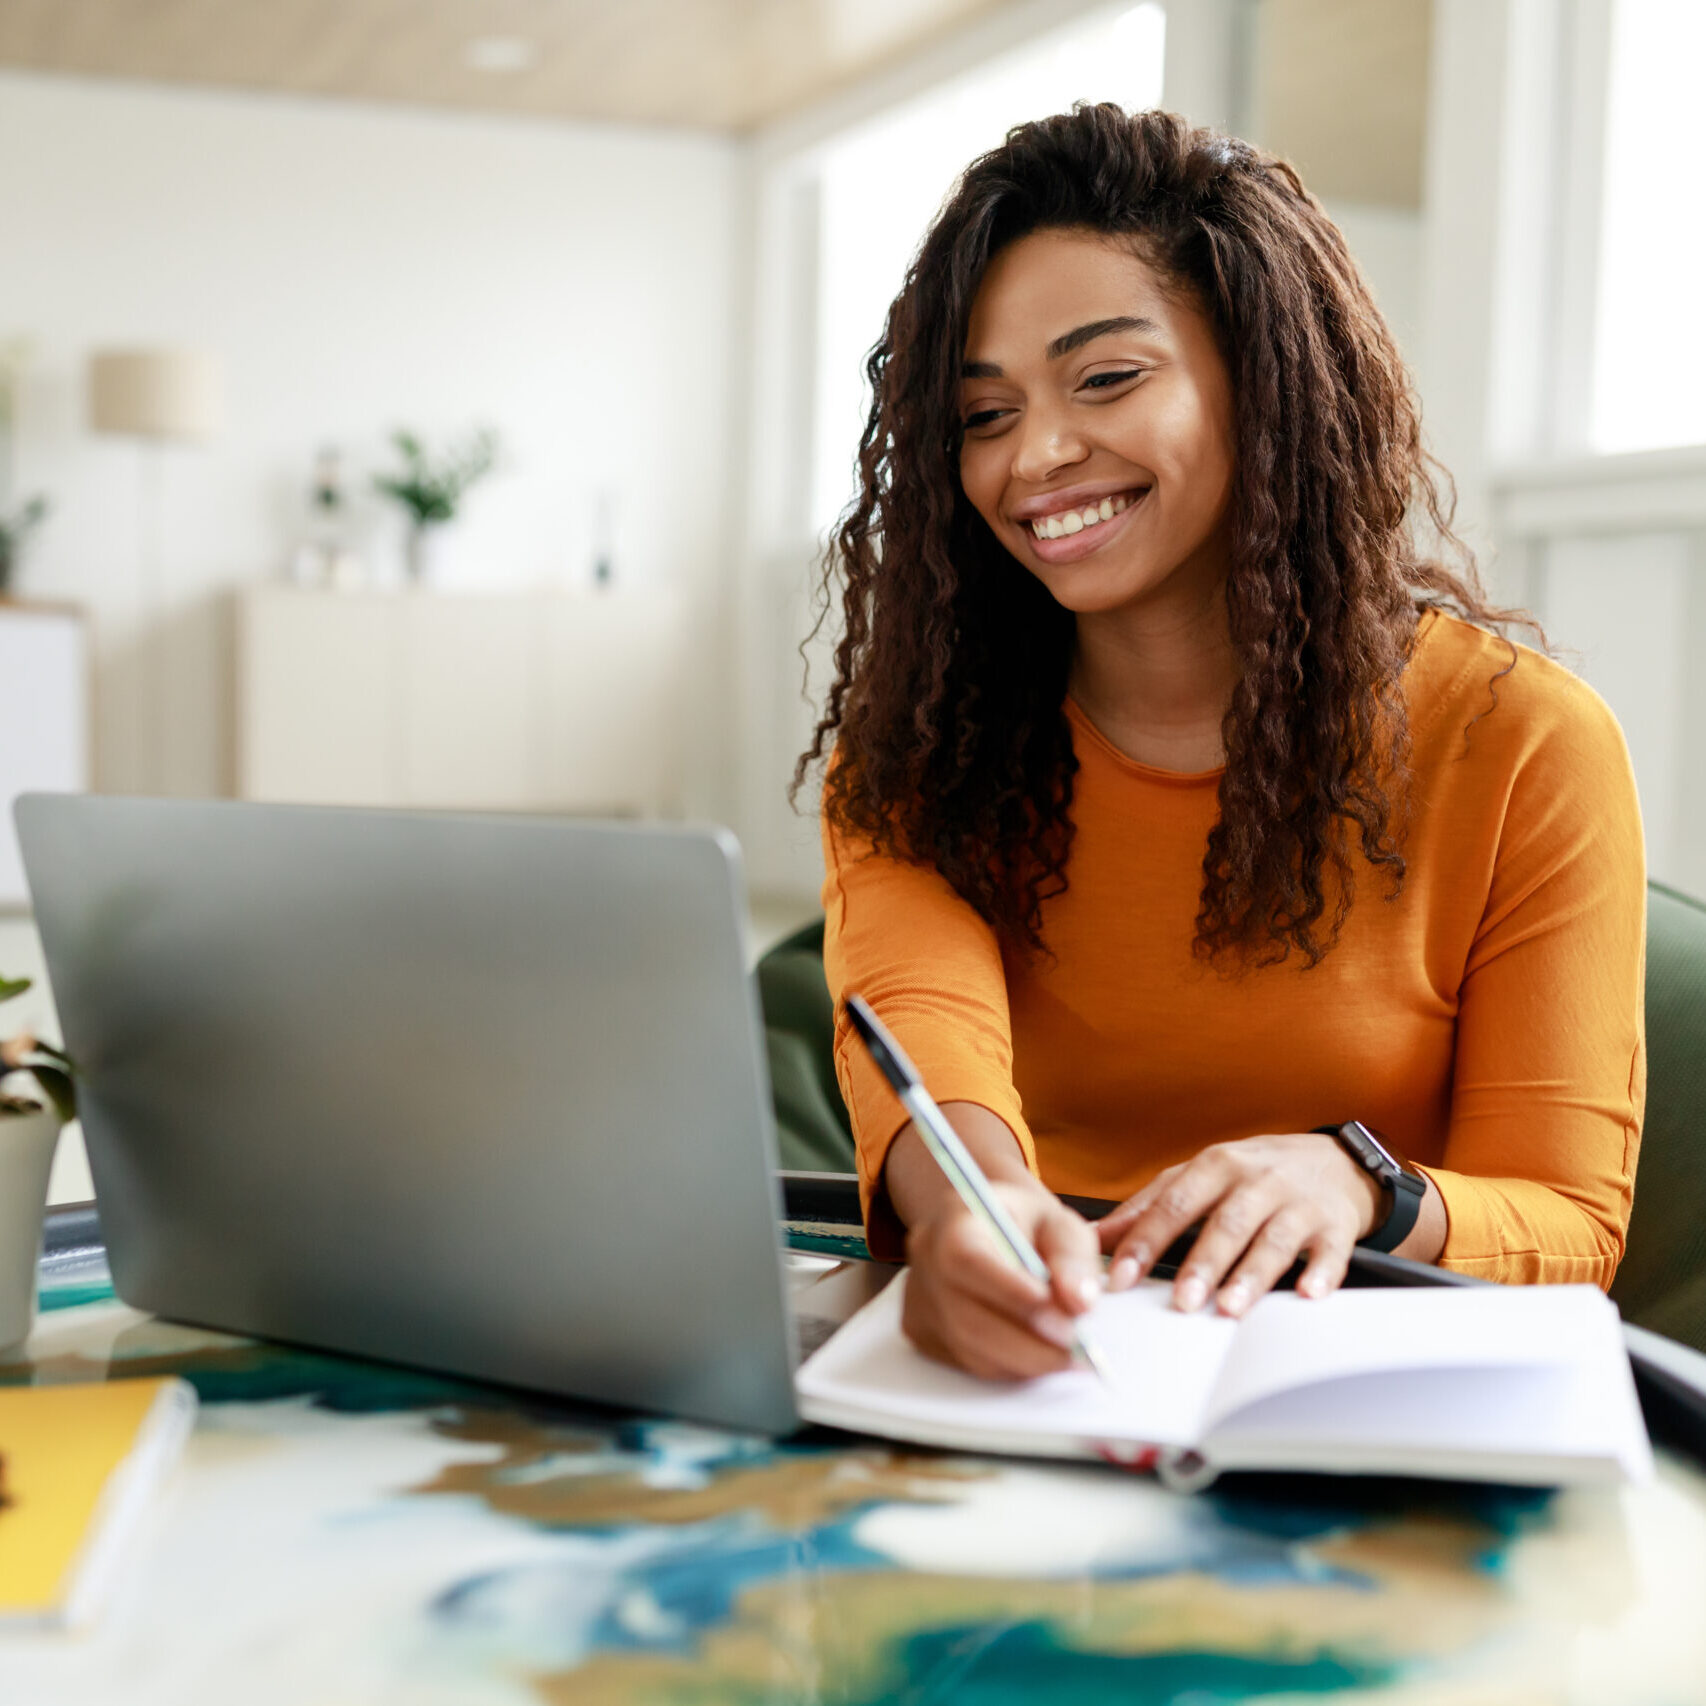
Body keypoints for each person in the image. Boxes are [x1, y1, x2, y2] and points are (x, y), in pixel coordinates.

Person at [799, 106, 1645, 1381]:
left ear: (1264, 372)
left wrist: (1361, 1185)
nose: (1035, 456)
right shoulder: (920, 739)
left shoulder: (1522, 741)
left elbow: (1569, 1222)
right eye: (982, 414)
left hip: (1361, 1382)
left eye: (1106, 378)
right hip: (1029, 1364)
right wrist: (967, 1209)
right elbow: (928, 1027)